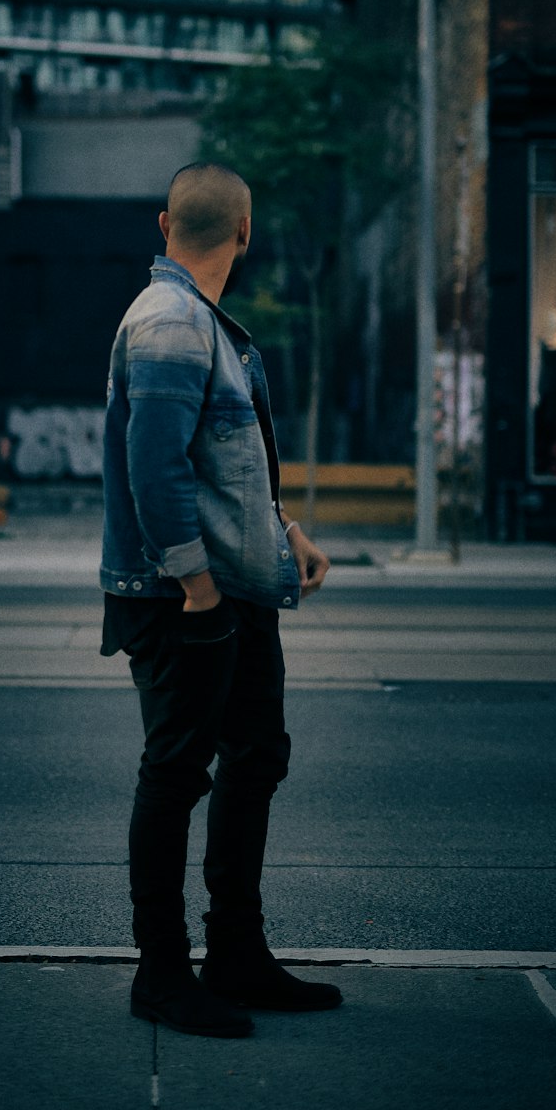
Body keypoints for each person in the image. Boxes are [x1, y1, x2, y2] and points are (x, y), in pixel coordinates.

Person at [100, 162, 340, 1039]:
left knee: (254, 758)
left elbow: (218, 461)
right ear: (246, 233)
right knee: (176, 775)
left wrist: (286, 533)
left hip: (231, 590)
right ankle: (162, 975)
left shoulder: (202, 325)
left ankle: (236, 953)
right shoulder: (169, 321)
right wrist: (198, 585)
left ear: (166, 223)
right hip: (184, 598)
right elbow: (153, 468)